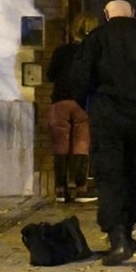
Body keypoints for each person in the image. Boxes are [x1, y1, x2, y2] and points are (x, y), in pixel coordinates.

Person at [67, 0, 136, 266]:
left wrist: (86, 106)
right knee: (133, 174)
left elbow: (78, 80)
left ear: (106, 14)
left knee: (110, 175)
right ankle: (127, 231)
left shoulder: (96, 39)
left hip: (106, 118)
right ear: (133, 12)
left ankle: (117, 238)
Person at [46, 11, 101, 203]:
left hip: (60, 100)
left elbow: (50, 76)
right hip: (83, 102)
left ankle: (61, 190)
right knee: (81, 144)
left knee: (60, 144)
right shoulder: (94, 53)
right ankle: (80, 189)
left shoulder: (61, 51)